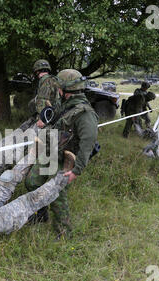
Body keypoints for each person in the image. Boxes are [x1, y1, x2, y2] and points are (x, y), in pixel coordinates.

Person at [25, 69, 99, 237]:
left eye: (59, 88)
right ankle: (41, 213)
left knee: (57, 194)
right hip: (50, 152)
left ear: (66, 90)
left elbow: (88, 143)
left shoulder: (85, 114)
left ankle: (64, 233)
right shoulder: (65, 104)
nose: (57, 90)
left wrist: (76, 170)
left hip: (65, 158)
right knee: (32, 181)